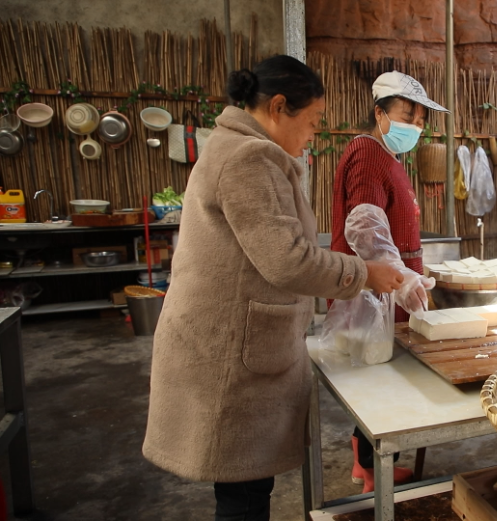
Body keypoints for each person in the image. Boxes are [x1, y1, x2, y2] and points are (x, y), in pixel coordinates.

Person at [142, 55, 405, 521]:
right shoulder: (248, 158)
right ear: (279, 107)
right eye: (313, 121)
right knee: (243, 493)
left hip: (233, 341)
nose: (313, 134)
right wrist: (364, 272)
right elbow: (286, 259)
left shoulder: (241, 149)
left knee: (245, 485)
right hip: (227, 353)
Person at [330, 71, 449, 493]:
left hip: (388, 288)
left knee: (378, 377)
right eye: (406, 115)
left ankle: (366, 466)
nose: (415, 126)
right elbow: (366, 232)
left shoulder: (385, 156)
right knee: (378, 385)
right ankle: (372, 476)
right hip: (375, 294)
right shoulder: (367, 154)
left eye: (420, 120)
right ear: (379, 113)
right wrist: (401, 280)